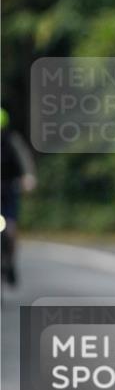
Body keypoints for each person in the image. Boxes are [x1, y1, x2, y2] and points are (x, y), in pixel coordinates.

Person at [0, 108, 37, 286]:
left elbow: (25, 160)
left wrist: (28, 178)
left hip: (8, 188)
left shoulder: (12, 141)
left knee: (11, 227)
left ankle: (10, 261)